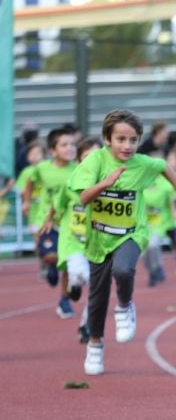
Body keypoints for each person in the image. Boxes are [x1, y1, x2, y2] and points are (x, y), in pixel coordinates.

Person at [68, 109, 176, 375]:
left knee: (123, 269)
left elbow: (164, 167)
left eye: (133, 140)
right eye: (121, 139)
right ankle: (95, 345)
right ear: (107, 139)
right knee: (97, 298)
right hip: (98, 237)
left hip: (132, 232)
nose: (128, 146)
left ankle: (125, 306)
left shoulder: (142, 162)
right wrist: (105, 183)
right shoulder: (94, 162)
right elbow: (83, 198)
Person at [40, 137, 102, 343]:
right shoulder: (72, 182)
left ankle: (86, 325)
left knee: (97, 290)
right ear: (79, 160)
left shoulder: (109, 184)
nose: (91, 161)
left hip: (97, 245)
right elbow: (57, 203)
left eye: (95, 157)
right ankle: (74, 283)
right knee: (79, 273)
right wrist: (49, 219)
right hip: (73, 241)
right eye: (86, 157)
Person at [23, 126, 78, 308]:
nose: (69, 148)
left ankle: (64, 300)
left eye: (72, 144)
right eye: (64, 145)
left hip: (69, 223)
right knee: (50, 257)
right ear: (53, 151)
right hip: (46, 221)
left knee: (68, 264)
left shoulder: (78, 169)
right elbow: (31, 181)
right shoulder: (42, 168)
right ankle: (50, 267)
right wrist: (27, 201)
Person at [142, 152, 176, 287]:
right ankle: (153, 270)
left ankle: (156, 269)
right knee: (144, 253)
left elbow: (172, 205)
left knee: (153, 245)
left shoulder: (165, 185)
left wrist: (175, 220)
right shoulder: (142, 182)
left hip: (159, 223)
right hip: (143, 224)